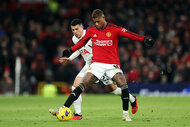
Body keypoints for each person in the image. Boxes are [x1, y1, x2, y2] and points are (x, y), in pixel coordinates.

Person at [50, 9, 154, 121]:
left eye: (98, 21)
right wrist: (70, 52)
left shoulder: (114, 29)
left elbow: (129, 34)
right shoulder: (87, 33)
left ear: (103, 18)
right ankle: (70, 111)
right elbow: (81, 45)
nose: (96, 24)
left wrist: (144, 39)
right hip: (94, 64)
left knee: (115, 89)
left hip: (110, 64)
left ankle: (131, 101)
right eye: (94, 22)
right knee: (78, 85)